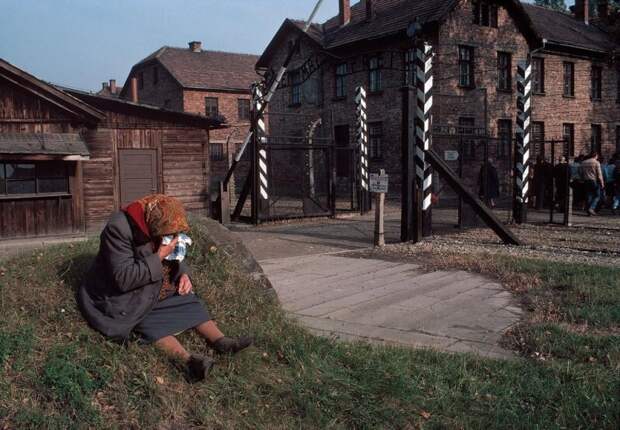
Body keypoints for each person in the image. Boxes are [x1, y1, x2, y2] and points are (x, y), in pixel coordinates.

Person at [78, 194, 252, 382]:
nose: (172, 238)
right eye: (168, 235)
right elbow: (123, 279)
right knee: (142, 316)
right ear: (154, 226)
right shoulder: (118, 229)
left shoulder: (160, 221)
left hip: (150, 283)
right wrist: (159, 256)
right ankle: (190, 362)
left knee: (188, 300)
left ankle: (222, 342)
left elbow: (177, 252)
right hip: (118, 293)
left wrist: (184, 273)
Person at [580, 152, 605, 216]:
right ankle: (591, 208)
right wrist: (602, 183)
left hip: (586, 181)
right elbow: (599, 174)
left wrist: (582, 178)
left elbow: (580, 172)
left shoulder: (583, 162)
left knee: (589, 196)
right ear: (595, 156)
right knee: (597, 195)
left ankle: (588, 212)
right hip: (594, 181)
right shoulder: (596, 162)